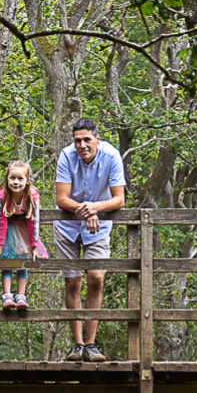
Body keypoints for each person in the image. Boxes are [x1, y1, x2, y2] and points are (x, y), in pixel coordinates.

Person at [52, 117, 125, 363]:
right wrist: (87, 210)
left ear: (97, 139)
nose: (82, 145)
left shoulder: (112, 156)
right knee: (73, 282)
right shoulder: (65, 156)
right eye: (77, 141)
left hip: (99, 226)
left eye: (86, 139)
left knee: (96, 277)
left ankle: (91, 345)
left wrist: (96, 208)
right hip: (67, 225)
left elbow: (119, 199)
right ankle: (77, 344)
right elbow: (62, 198)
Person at [0, 161, 47, 350]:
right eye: (12, 178)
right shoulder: (2, 195)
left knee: (24, 259)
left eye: (20, 178)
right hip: (5, 231)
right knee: (5, 258)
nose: (16, 182)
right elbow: (0, 220)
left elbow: (35, 221)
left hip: (25, 228)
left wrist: (34, 246)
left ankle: (21, 296)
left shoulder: (33, 195)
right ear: (7, 179)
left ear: (27, 181)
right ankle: (7, 295)